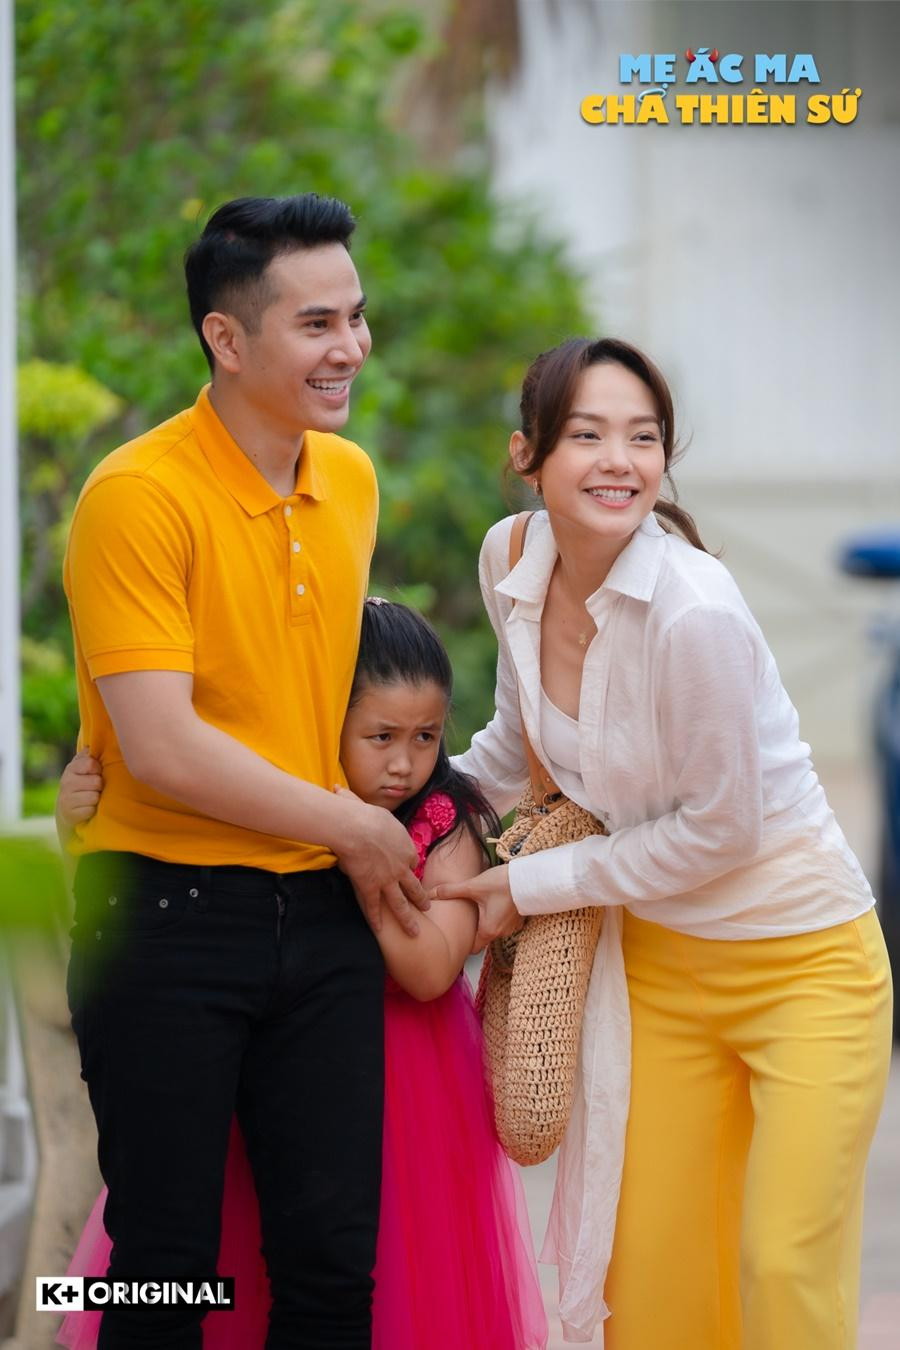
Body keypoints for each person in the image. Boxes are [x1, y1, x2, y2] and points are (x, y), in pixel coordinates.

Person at [437, 337, 894, 1349]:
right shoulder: (510, 561)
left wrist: (531, 885)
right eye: (588, 435)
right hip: (657, 972)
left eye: (642, 438)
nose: (620, 462)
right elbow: (514, 745)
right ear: (528, 455)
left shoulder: (693, 612)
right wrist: (401, 817)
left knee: (781, 1266)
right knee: (652, 1285)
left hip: (805, 967)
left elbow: (722, 831)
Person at [61, 194, 429, 1350]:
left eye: (356, 317)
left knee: (331, 1273)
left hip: (322, 917)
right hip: (164, 917)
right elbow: (165, 745)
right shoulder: (136, 496)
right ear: (226, 338)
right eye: (317, 323)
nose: (350, 347)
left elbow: (313, 692)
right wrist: (353, 826)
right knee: (163, 1267)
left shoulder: (350, 481)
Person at [55, 600, 549, 1350]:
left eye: (425, 737)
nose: (403, 763)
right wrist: (75, 823)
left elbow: (429, 969)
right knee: (198, 1249)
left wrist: (360, 857)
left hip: (407, 1091)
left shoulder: (443, 819)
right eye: (380, 736)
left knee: (370, 1280)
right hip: (263, 1065)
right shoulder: (275, 802)